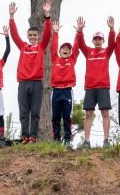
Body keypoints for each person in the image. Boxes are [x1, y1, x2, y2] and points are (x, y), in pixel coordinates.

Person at [9, 0, 53, 144]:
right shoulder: (23, 46)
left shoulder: (41, 46)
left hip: (36, 83)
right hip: (23, 82)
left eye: (35, 35)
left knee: (35, 112)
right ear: (27, 36)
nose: (33, 37)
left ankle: (33, 136)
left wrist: (47, 16)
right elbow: (14, 34)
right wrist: (11, 17)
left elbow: (47, 33)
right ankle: (24, 136)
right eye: (30, 35)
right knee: (23, 112)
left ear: (38, 36)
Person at [76, 16, 116, 149]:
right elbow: (80, 44)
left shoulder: (106, 52)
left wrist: (111, 29)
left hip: (103, 86)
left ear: (103, 40)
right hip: (90, 87)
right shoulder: (88, 51)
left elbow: (112, 44)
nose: (98, 41)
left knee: (105, 113)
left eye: (100, 39)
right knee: (88, 114)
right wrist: (80, 31)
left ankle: (106, 140)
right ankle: (86, 141)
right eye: (96, 39)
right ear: (92, 40)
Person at [50, 19, 81, 148]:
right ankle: (56, 139)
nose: (66, 50)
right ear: (60, 50)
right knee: (55, 116)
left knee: (67, 117)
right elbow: (53, 46)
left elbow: (77, 46)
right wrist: (55, 32)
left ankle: (67, 139)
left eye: (68, 49)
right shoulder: (55, 58)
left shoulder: (72, 59)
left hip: (67, 91)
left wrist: (78, 32)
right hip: (56, 91)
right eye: (63, 48)